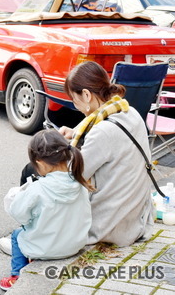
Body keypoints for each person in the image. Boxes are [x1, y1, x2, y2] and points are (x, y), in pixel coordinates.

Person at [59, 62, 153, 246]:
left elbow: (72, 176)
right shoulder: (129, 111)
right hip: (135, 221)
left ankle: (29, 239)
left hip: (109, 228)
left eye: (74, 98)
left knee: (47, 182)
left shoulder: (101, 132)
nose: (74, 104)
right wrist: (74, 132)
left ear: (86, 95)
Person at [0, 129, 92, 291]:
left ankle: (17, 276)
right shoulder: (79, 183)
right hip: (75, 244)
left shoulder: (37, 189)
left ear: (40, 163)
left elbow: (19, 215)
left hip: (47, 249)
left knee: (16, 235)